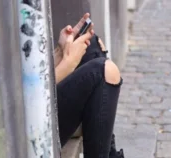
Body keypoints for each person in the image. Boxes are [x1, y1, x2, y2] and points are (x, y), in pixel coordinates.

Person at [54, 13, 124, 158]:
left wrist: (61, 52)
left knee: (91, 45)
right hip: (29, 126)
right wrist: (68, 63)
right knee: (102, 71)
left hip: (40, 102)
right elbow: (25, 99)